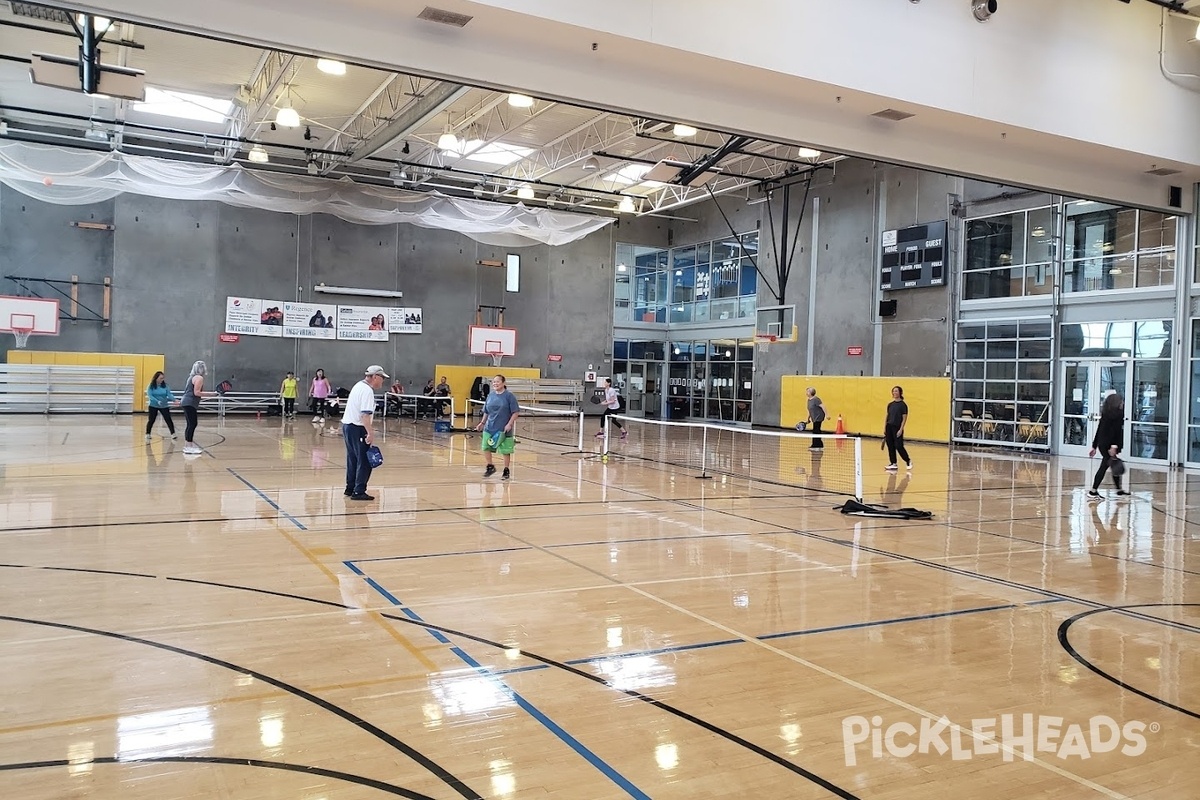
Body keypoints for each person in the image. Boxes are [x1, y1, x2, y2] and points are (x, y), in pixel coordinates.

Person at [342, 365, 388, 501]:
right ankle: (359, 491)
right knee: (364, 460)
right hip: (358, 428)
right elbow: (365, 415)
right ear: (375, 377)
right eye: (382, 378)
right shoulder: (367, 391)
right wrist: (370, 433)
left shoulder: (358, 386)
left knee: (353, 459)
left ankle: (350, 488)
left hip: (347, 426)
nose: (382, 381)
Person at [474, 374, 520, 480]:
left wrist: (509, 424)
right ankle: (490, 466)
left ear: (503, 383)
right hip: (490, 427)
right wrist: (482, 423)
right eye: (494, 382)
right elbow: (486, 411)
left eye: (497, 381)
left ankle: (506, 470)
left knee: (505, 450)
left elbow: (515, 412)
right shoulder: (490, 396)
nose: (495, 383)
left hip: (504, 428)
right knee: (485, 447)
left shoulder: (509, 396)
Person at [1088, 391, 1130, 499]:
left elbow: (1099, 430)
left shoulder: (1106, 414)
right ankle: (1093, 491)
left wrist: (1094, 445)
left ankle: (1119, 490)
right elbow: (1116, 431)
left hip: (1103, 443)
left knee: (1113, 463)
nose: (1123, 403)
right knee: (1105, 465)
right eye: (1121, 401)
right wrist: (1114, 445)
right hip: (1110, 445)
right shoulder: (1118, 415)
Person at [180, 360, 209, 455]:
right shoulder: (199, 378)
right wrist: (212, 394)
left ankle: (188, 445)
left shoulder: (191, 377)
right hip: (190, 402)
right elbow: (196, 392)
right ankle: (188, 446)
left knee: (190, 424)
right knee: (192, 424)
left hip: (186, 402)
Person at [883, 385, 911, 471]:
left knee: (899, 446)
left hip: (897, 427)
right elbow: (887, 416)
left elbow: (904, 418)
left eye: (896, 391)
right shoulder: (890, 405)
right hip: (889, 427)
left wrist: (901, 429)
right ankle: (893, 463)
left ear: (900, 393)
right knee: (890, 445)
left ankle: (908, 460)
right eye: (893, 391)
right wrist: (885, 427)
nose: (895, 393)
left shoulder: (903, 405)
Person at [145, 371, 177, 441]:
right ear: (156, 378)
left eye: (163, 378)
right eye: (160, 378)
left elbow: (169, 394)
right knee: (151, 420)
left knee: (168, 419)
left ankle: (173, 433)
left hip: (164, 405)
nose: (162, 380)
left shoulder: (166, 386)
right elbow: (150, 395)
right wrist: (157, 401)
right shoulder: (151, 386)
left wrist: (174, 400)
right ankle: (148, 433)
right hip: (153, 405)